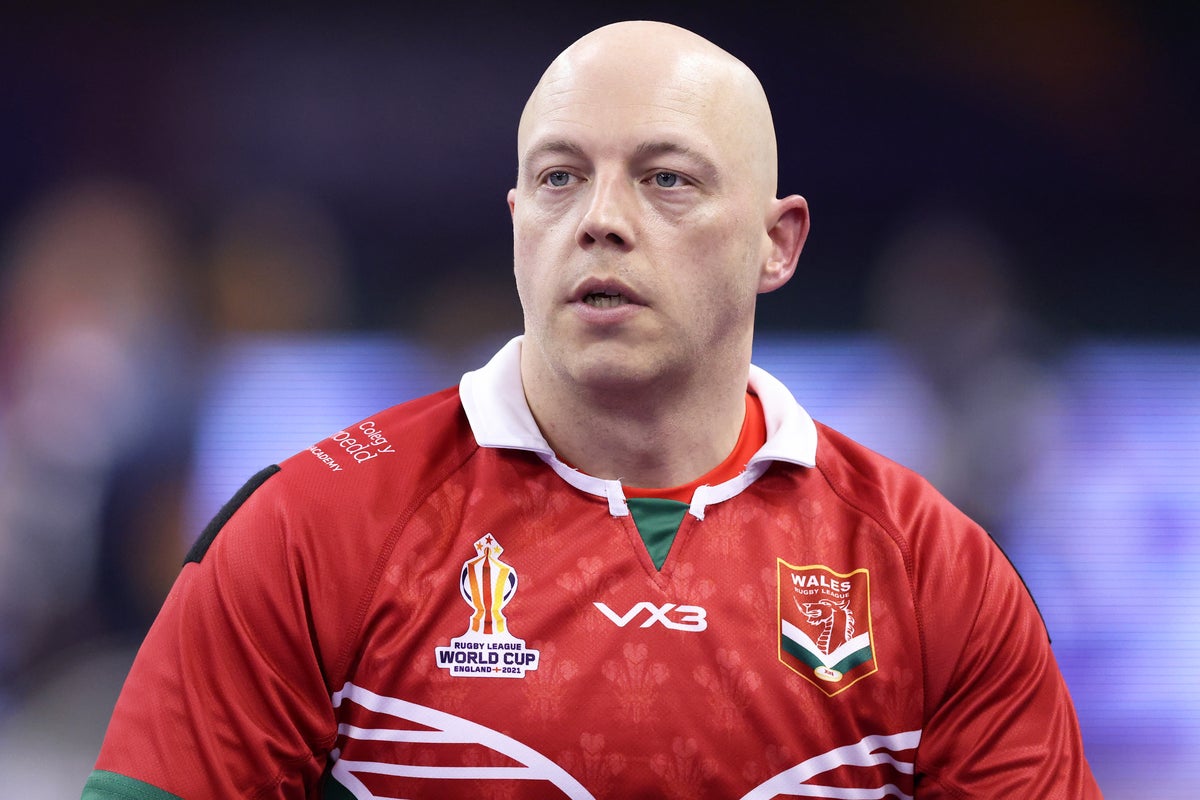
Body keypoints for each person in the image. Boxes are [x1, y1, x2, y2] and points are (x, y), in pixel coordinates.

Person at [83, 20, 1101, 800]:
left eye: (666, 179)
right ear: (518, 220)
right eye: (561, 178)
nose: (601, 220)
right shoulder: (310, 530)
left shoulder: (937, 574)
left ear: (777, 243)